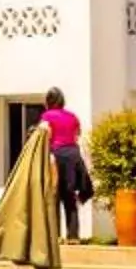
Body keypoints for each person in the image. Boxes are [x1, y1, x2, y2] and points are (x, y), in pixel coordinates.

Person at [41, 87, 93, 241]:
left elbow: (45, 135)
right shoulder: (72, 116)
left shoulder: (47, 116)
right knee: (69, 196)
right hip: (72, 156)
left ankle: (54, 236)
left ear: (48, 101)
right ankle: (73, 236)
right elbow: (77, 135)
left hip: (55, 156)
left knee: (54, 195)